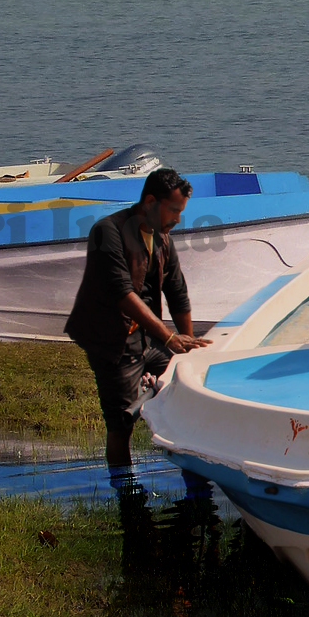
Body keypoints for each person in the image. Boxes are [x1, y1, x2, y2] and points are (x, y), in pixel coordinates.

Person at [65, 167, 210, 469]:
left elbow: (177, 292)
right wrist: (170, 337)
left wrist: (189, 346)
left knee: (190, 393)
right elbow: (123, 295)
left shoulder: (162, 239)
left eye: (181, 211)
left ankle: (195, 481)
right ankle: (127, 496)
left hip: (150, 339)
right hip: (113, 341)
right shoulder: (108, 231)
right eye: (173, 210)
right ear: (149, 202)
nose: (177, 219)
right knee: (122, 423)